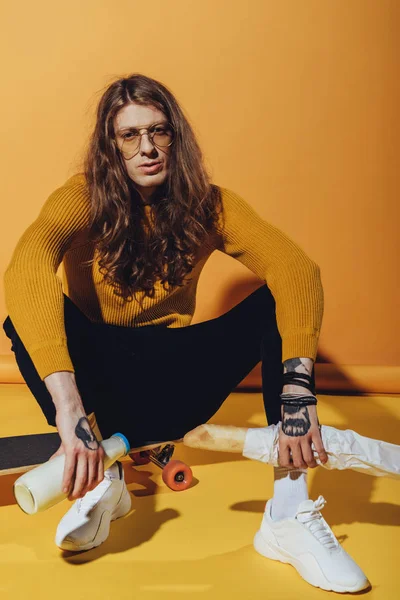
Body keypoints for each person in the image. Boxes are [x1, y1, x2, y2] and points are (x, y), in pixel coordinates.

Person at [2, 73, 368, 592]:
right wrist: (69, 411)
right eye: (129, 136)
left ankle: (288, 517)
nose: (147, 148)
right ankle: (103, 478)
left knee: (276, 303)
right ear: (111, 148)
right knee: (24, 307)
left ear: (177, 136)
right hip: (98, 393)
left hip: (175, 388)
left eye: (159, 131)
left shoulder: (210, 204)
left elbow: (296, 269)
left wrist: (298, 389)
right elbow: (26, 265)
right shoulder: (81, 198)